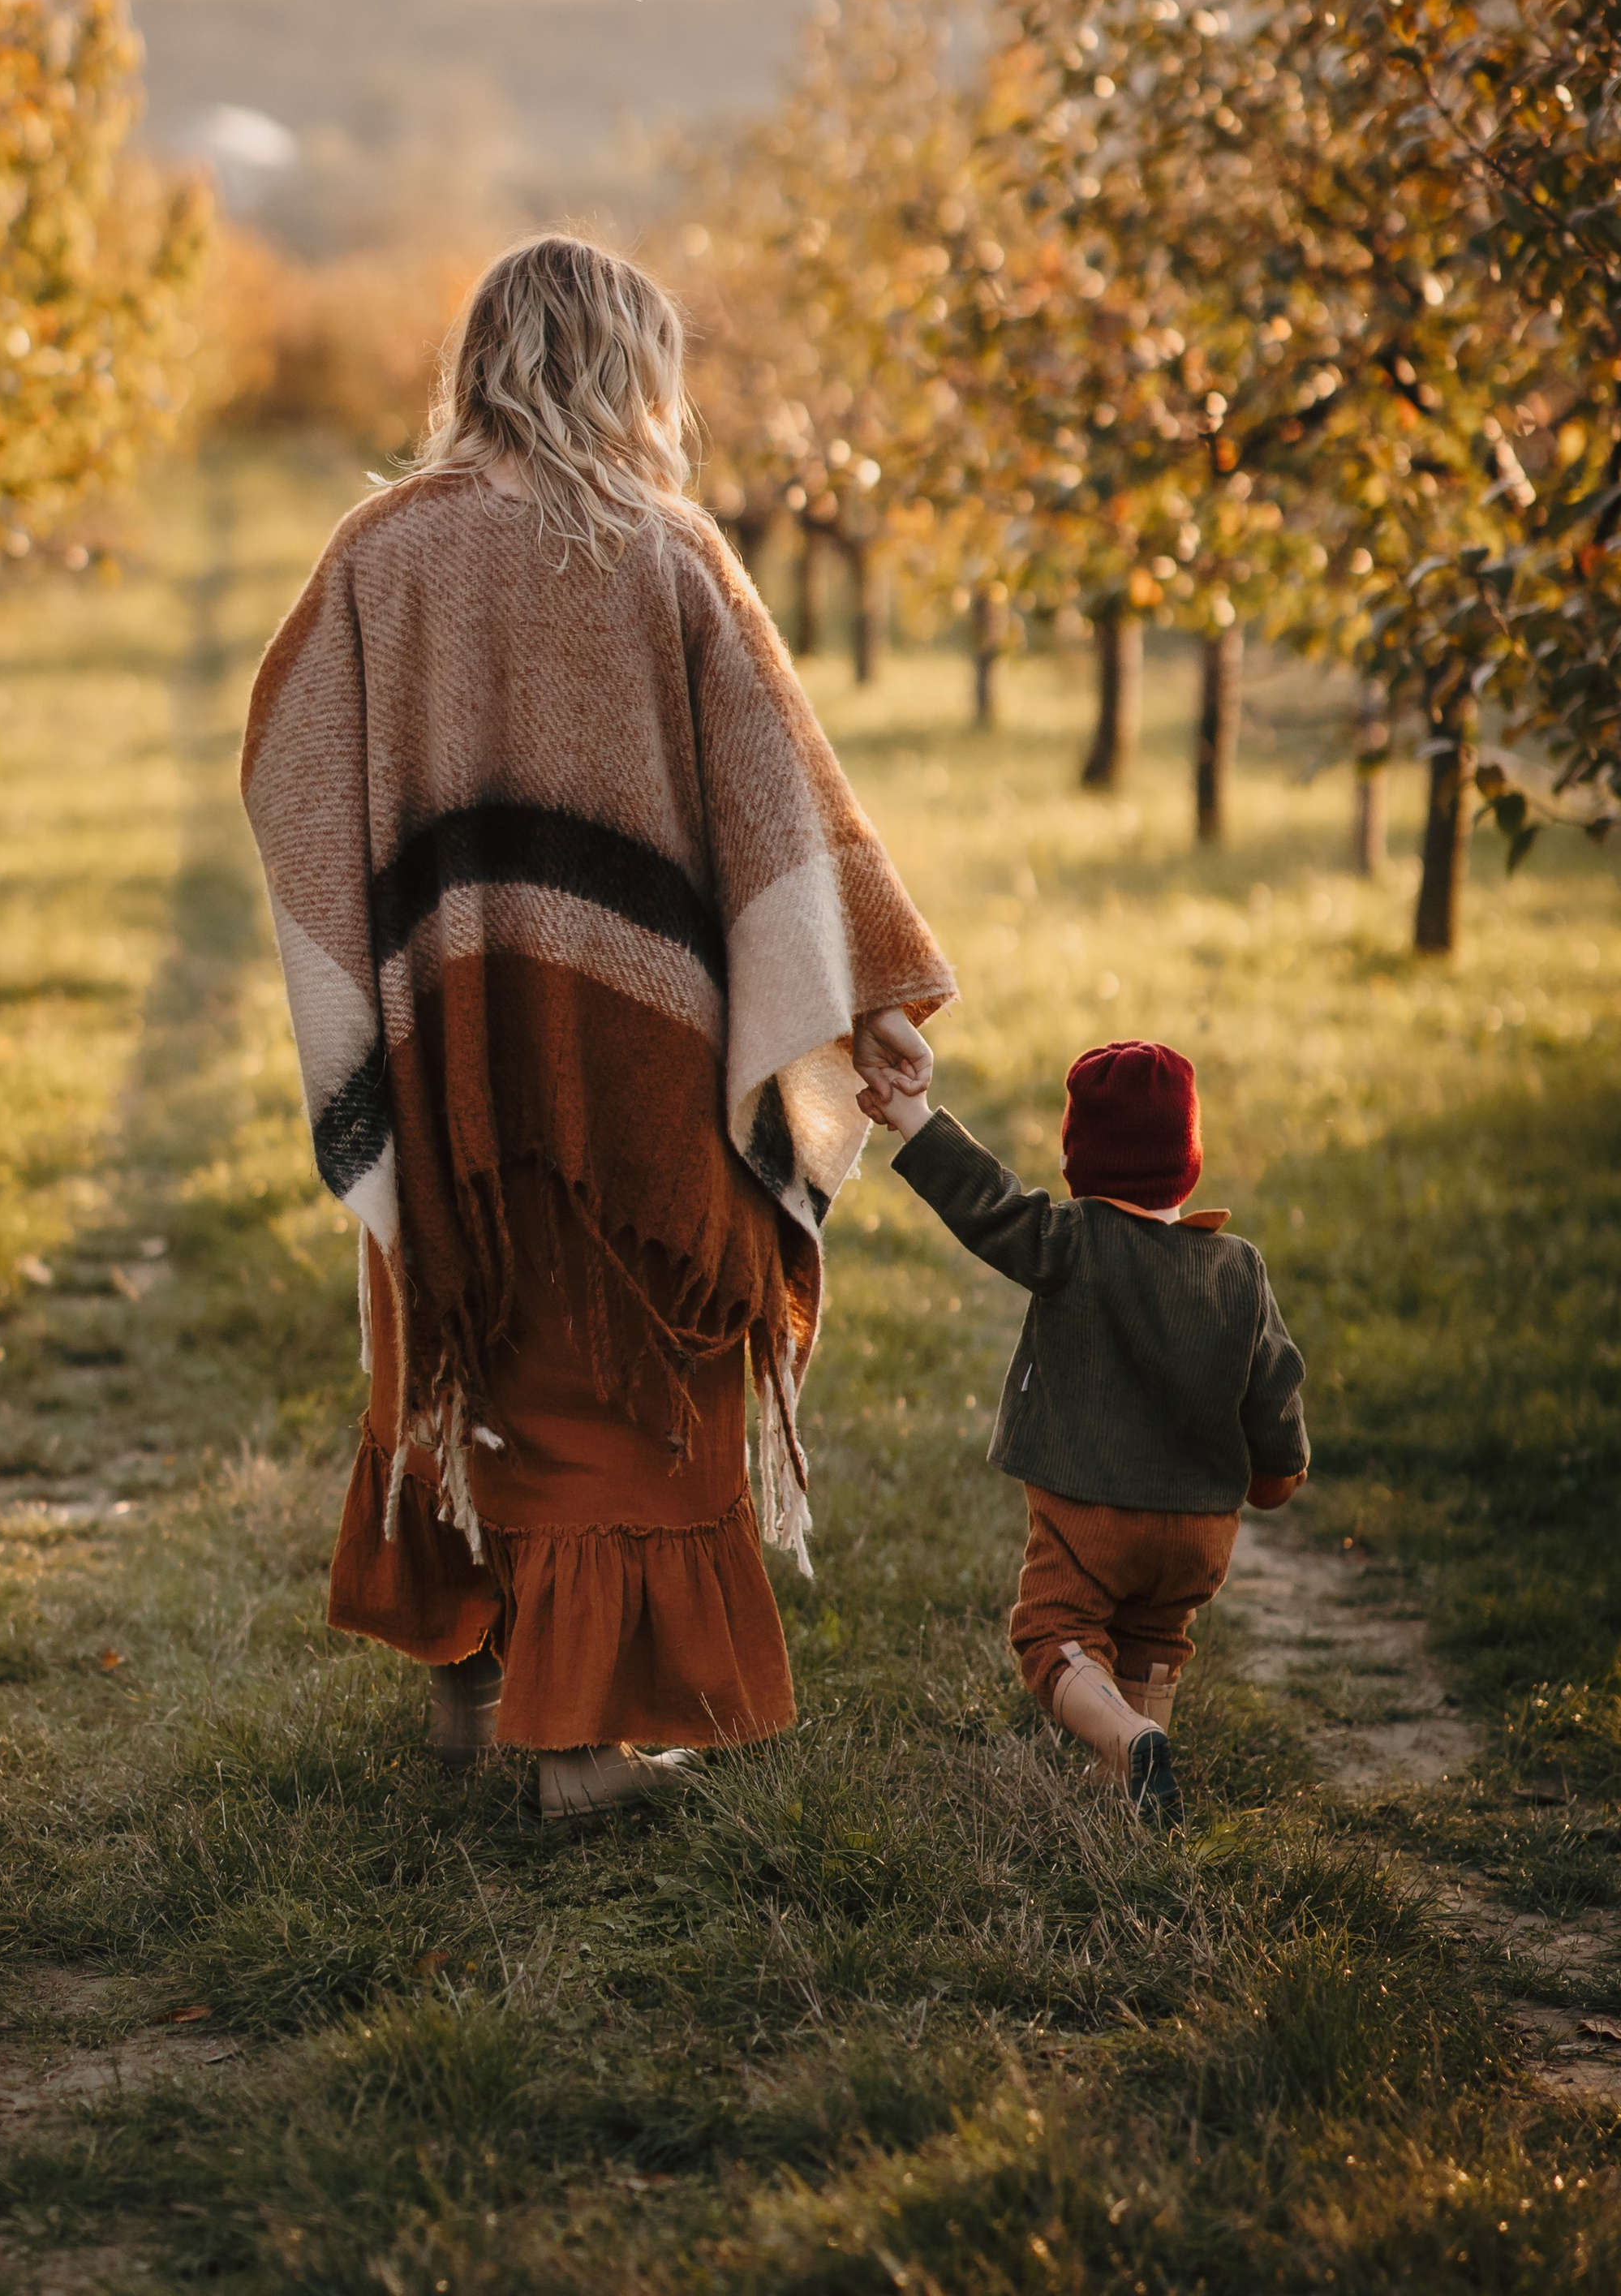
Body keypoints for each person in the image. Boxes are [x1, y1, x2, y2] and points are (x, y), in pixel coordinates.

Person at [242, 234, 955, 1822]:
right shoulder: (669, 552)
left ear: (481, 362)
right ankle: (578, 1756)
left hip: (446, 1054)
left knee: (458, 1328)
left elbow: (283, 760)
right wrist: (868, 1001)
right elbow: (782, 798)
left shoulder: (376, 550)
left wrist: (396, 929)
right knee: (629, 1366)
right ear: (634, 373)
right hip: (646, 1074)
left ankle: (470, 1694)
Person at [856, 1036, 1309, 1824]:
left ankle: (1127, 1738)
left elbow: (986, 1202)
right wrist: (1277, 1473)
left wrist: (911, 1116)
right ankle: (1132, 1794)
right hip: (1200, 1530)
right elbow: (1273, 1384)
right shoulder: (1239, 1269)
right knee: (1154, 1635)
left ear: (1075, 1164)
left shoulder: (1071, 1240)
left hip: (1093, 1513)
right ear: (1188, 1164)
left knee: (1052, 1630)